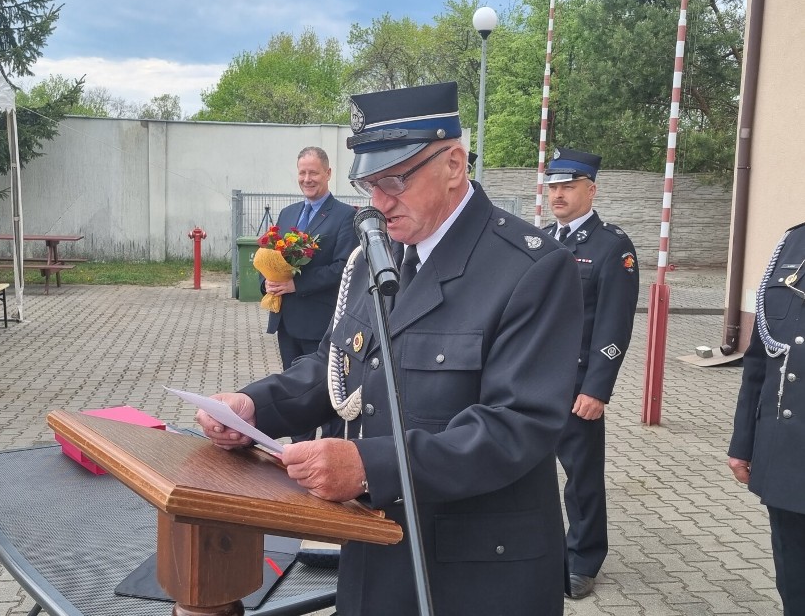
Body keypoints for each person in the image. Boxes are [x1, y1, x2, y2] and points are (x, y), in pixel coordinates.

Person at [197, 81, 585, 616]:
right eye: (367, 183)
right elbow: (339, 365)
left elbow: (516, 426)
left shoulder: (530, 268)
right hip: (377, 548)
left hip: (472, 570)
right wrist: (253, 407)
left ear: (454, 164)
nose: (378, 202)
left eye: (395, 180)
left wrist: (368, 467)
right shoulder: (377, 255)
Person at [543, 147, 640, 599]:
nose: (558, 195)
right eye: (554, 186)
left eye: (568, 186)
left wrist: (597, 388)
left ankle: (583, 559)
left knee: (581, 478)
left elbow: (614, 323)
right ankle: (542, 547)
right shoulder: (542, 238)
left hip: (577, 385)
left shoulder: (612, 246)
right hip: (532, 380)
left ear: (591, 189)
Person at [729, 222, 805, 615]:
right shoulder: (793, 243)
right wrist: (744, 443)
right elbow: (761, 358)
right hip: (789, 455)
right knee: (794, 581)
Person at [262, 146, 358, 440]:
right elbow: (271, 256)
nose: (307, 178)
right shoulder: (288, 213)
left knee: (326, 392)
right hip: (287, 322)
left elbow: (344, 268)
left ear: (328, 173)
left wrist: (296, 284)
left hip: (321, 325)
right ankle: (299, 452)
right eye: (302, 172)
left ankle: (328, 455)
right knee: (293, 394)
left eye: (313, 172)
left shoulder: (344, 216)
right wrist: (266, 281)